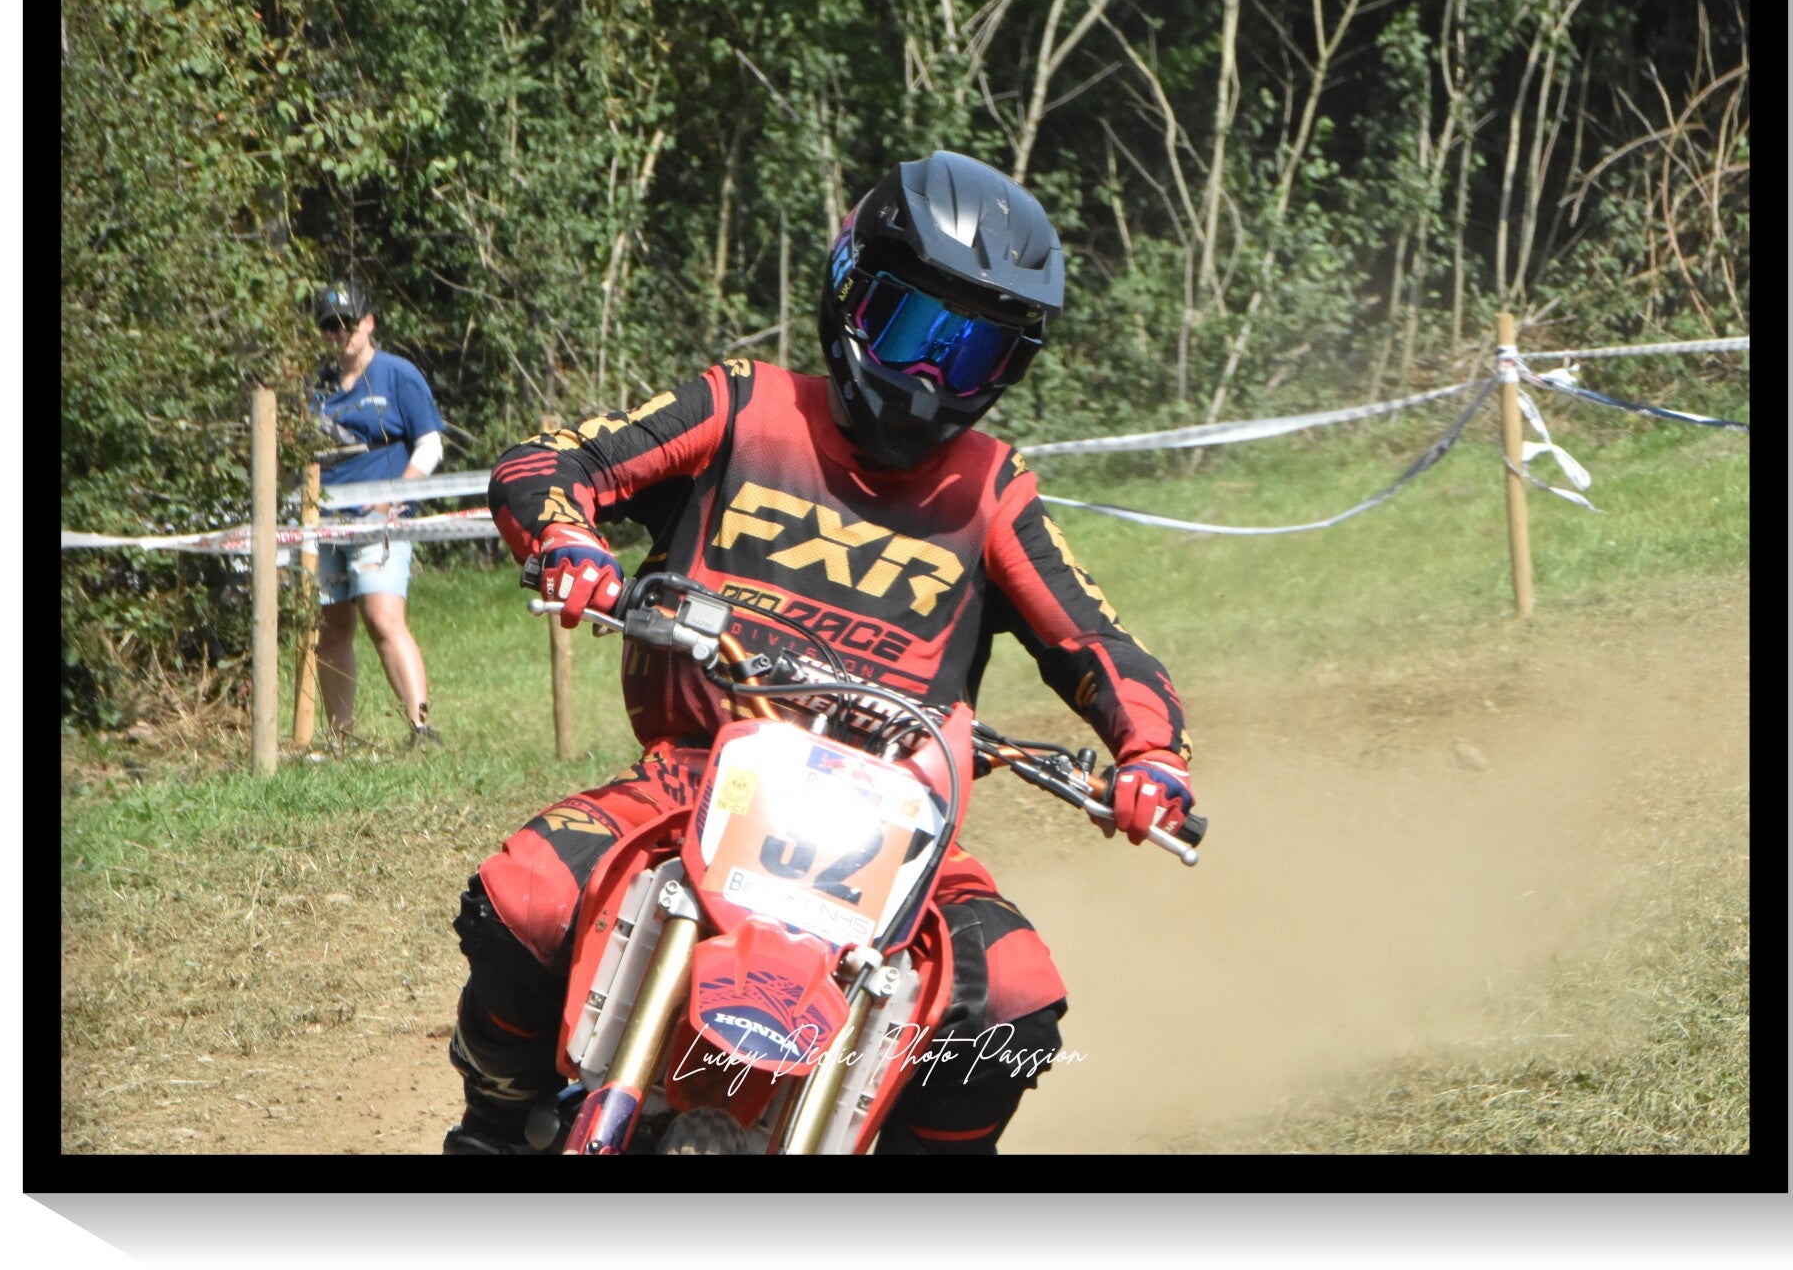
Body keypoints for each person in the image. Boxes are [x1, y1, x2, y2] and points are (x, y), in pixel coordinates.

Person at [445, 151, 1195, 1155]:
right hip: (693, 780)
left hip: (899, 831)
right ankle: (494, 1131)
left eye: (971, 354)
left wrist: (1151, 752)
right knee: (527, 893)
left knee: (1012, 1003)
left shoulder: (991, 489)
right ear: (849, 289)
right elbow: (549, 463)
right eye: (914, 330)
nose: (930, 377)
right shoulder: (743, 406)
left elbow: (1092, 639)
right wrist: (568, 538)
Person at [310, 277, 446, 747]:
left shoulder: (398, 374)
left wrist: (392, 497)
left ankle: (420, 726)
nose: (339, 334)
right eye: (330, 326)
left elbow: (430, 446)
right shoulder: (316, 384)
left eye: (347, 323)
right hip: (323, 522)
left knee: (382, 616)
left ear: (368, 322)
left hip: (381, 522)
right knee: (331, 626)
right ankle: (340, 735)